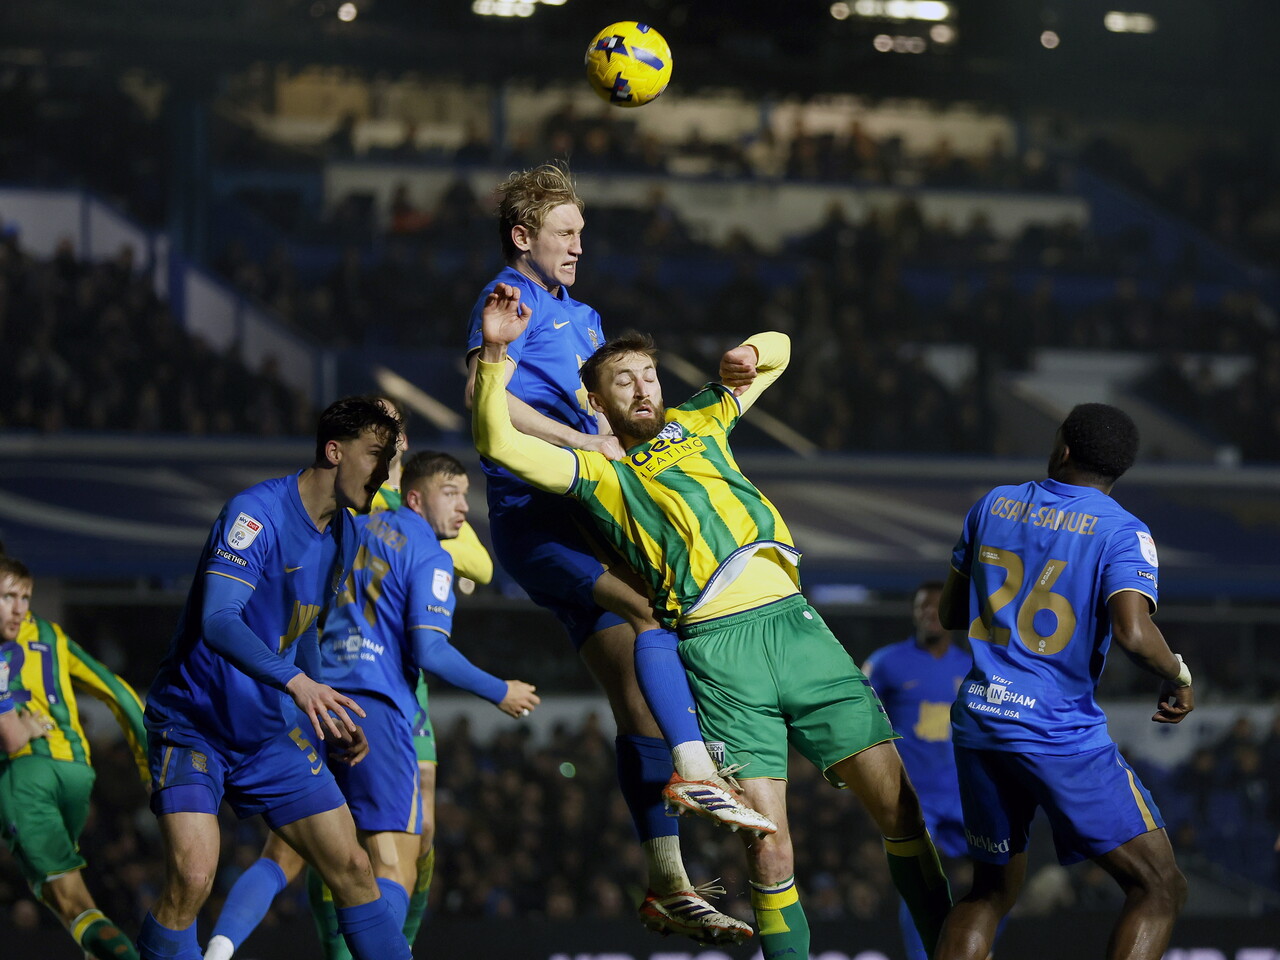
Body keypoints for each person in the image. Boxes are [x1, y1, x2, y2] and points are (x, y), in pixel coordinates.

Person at [472, 286, 953, 960]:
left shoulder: (701, 417)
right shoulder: (594, 472)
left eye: (648, 373)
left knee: (903, 814)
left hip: (798, 630)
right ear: (596, 402)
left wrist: (750, 351)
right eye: (622, 380)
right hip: (721, 655)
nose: (642, 388)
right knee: (767, 843)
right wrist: (495, 351)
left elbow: (780, 356)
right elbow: (496, 437)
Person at [462, 163, 772, 944]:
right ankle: (697, 771)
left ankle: (667, 883)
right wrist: (582, 441)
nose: (577, 247)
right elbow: (485, 401)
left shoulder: (588, 314)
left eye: (582, 234)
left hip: (590, 516)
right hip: (537, 520)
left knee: (636, 684)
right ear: (522, 237)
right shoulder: (510, 300)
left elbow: (606, 408)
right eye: (565, 234)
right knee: (646, 609)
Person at [203, 450, 538, 960]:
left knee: (288, 852)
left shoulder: (351, 529)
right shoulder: (430, 554)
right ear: (416, 496)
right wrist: (500, 691)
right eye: (451, 493)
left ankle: (219, 949)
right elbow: (430, 650)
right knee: (394, 861)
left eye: (464, 495)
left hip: (313, 698)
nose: (464, 506)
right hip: (375, 710)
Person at [139, 396, 413, 960]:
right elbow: (218, 620)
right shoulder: (254, 515)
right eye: (376, 456)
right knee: (191, 879)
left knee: (355, 869)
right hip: (195, 725)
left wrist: (325, 709)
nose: (384, 472)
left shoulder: (346, 535)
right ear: (335, 452)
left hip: (268, 733)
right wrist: (297, 684)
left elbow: (303, 627)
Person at [935, 402, 1194, 960]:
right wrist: (1178, 673)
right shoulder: (1123, 532)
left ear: (1064, 448)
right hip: (1055, 731)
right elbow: (1132, 630)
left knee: (988, 891)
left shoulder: (993, 504)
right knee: (1159, 886)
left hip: (981, 719)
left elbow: (951, 614)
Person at [0, 555, 149, 960]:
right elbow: (119, 692)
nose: (19, 608)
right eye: (10, 597)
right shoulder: (51, 634)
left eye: (23, 597)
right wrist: (148, 766)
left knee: (70, 903)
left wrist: (24, 729)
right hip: (77, 775)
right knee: (67, 901)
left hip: (26, 776)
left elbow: (11, 737)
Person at [865, 582, 1005, 960]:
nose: (930, 615)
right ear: (913, 613)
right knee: (920, 886)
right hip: (913, 795)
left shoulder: (975, 667)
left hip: (965, 793)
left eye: (937, 608)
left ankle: (979, 950)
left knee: (998, 879)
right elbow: (862, 721)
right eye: (921, 608)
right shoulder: (886, 663)